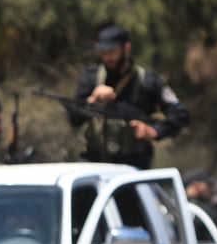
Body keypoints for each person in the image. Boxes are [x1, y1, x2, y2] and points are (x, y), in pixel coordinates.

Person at [68, 24, 189, 168]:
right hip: (95, 162)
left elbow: (180, 114)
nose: (107, 57)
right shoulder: (91, 78)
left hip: (133, 165)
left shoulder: (148, 80)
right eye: (103, 52)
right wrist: (92, 100)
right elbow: (74, 118)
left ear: (126, 48)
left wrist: (154, 131)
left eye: (112, 51)